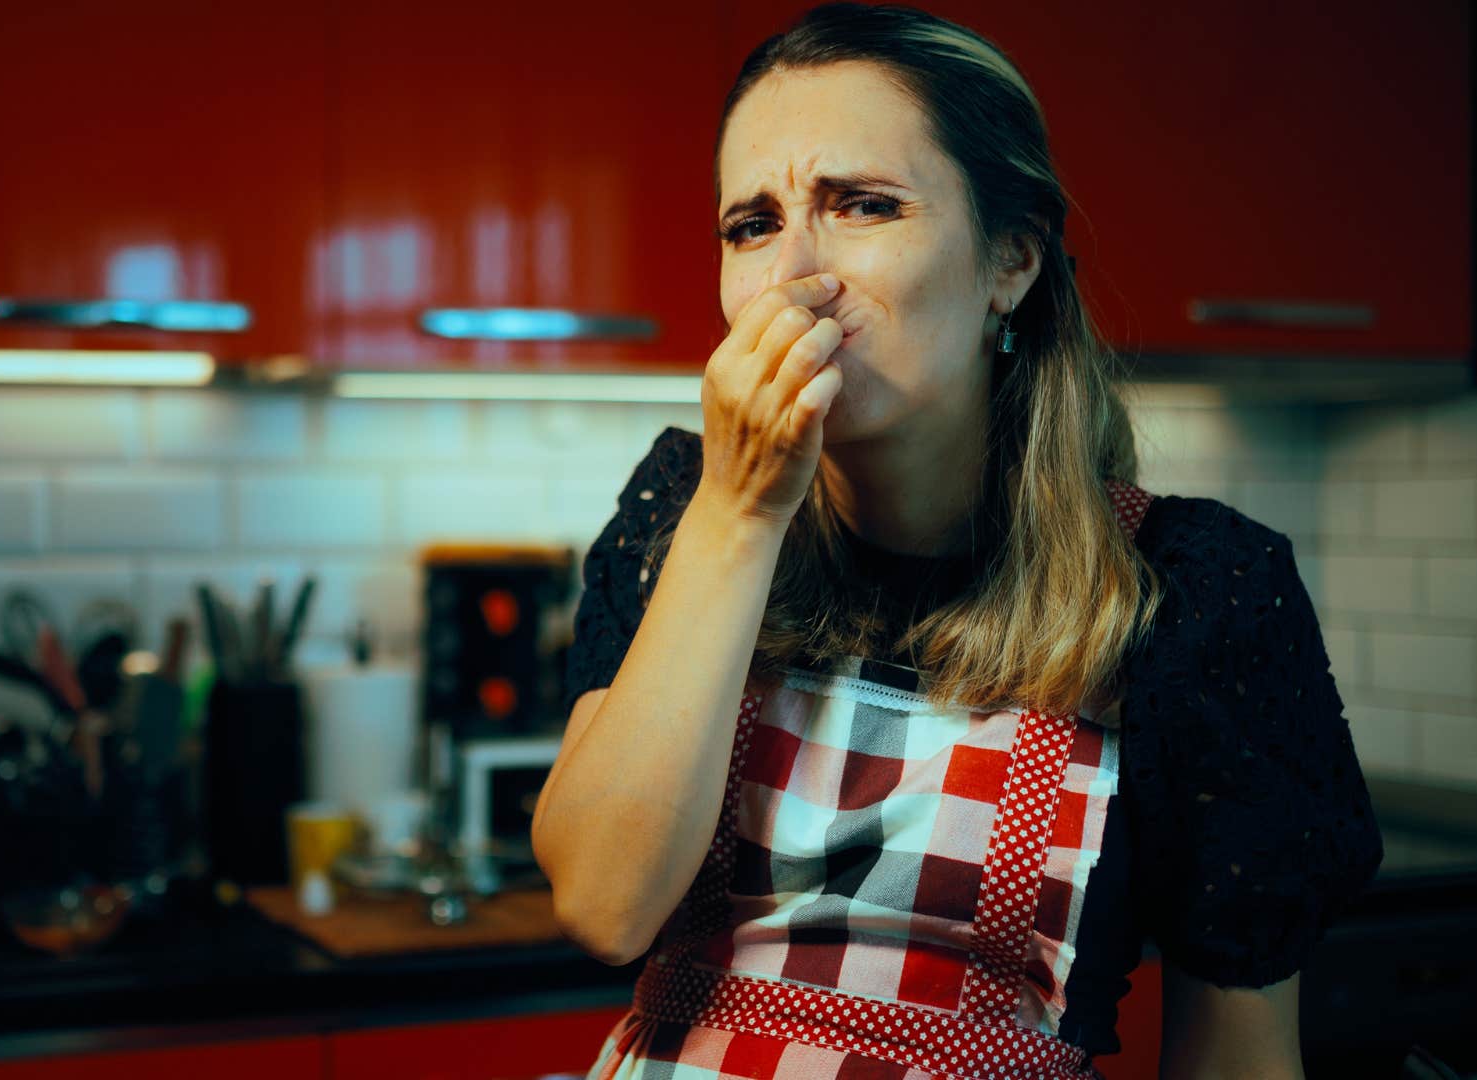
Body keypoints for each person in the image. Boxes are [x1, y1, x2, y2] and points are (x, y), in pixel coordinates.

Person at [531, 4, 1384, 1077]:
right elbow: (604, 908)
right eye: (750, 225)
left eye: (865, 206)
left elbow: (1239, 1061)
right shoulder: (683, 519)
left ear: (1010, 263)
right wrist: (739, 513)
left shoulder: (1197, 593)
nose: (793, 274)